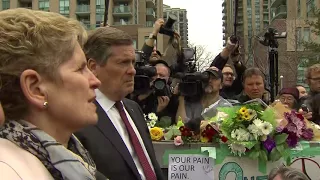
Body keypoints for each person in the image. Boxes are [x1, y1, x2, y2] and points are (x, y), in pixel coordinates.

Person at [0, 8, 104, 179]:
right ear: (36, 89)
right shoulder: (10, 172)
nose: (95, 81)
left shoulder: (64, 158)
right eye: (80, 69)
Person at [76, 27, 165, 180]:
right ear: (93, 67)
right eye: (123, 63)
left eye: (132, 62)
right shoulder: (78, 118)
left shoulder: (133, 108)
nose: (132, 71)